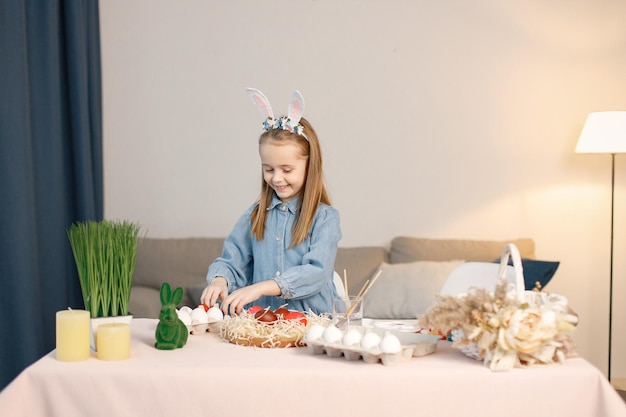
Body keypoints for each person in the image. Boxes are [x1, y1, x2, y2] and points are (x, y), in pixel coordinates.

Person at [201, 88, 342, 316]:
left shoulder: (325, 218)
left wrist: (262, 287)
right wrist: (219, 280)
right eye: (268, 169)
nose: (276, 178)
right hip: (261, 325)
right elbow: (231, 260)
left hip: (313, 326)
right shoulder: (254, 216)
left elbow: (317, 271)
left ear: (310, 167)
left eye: (287, 169)